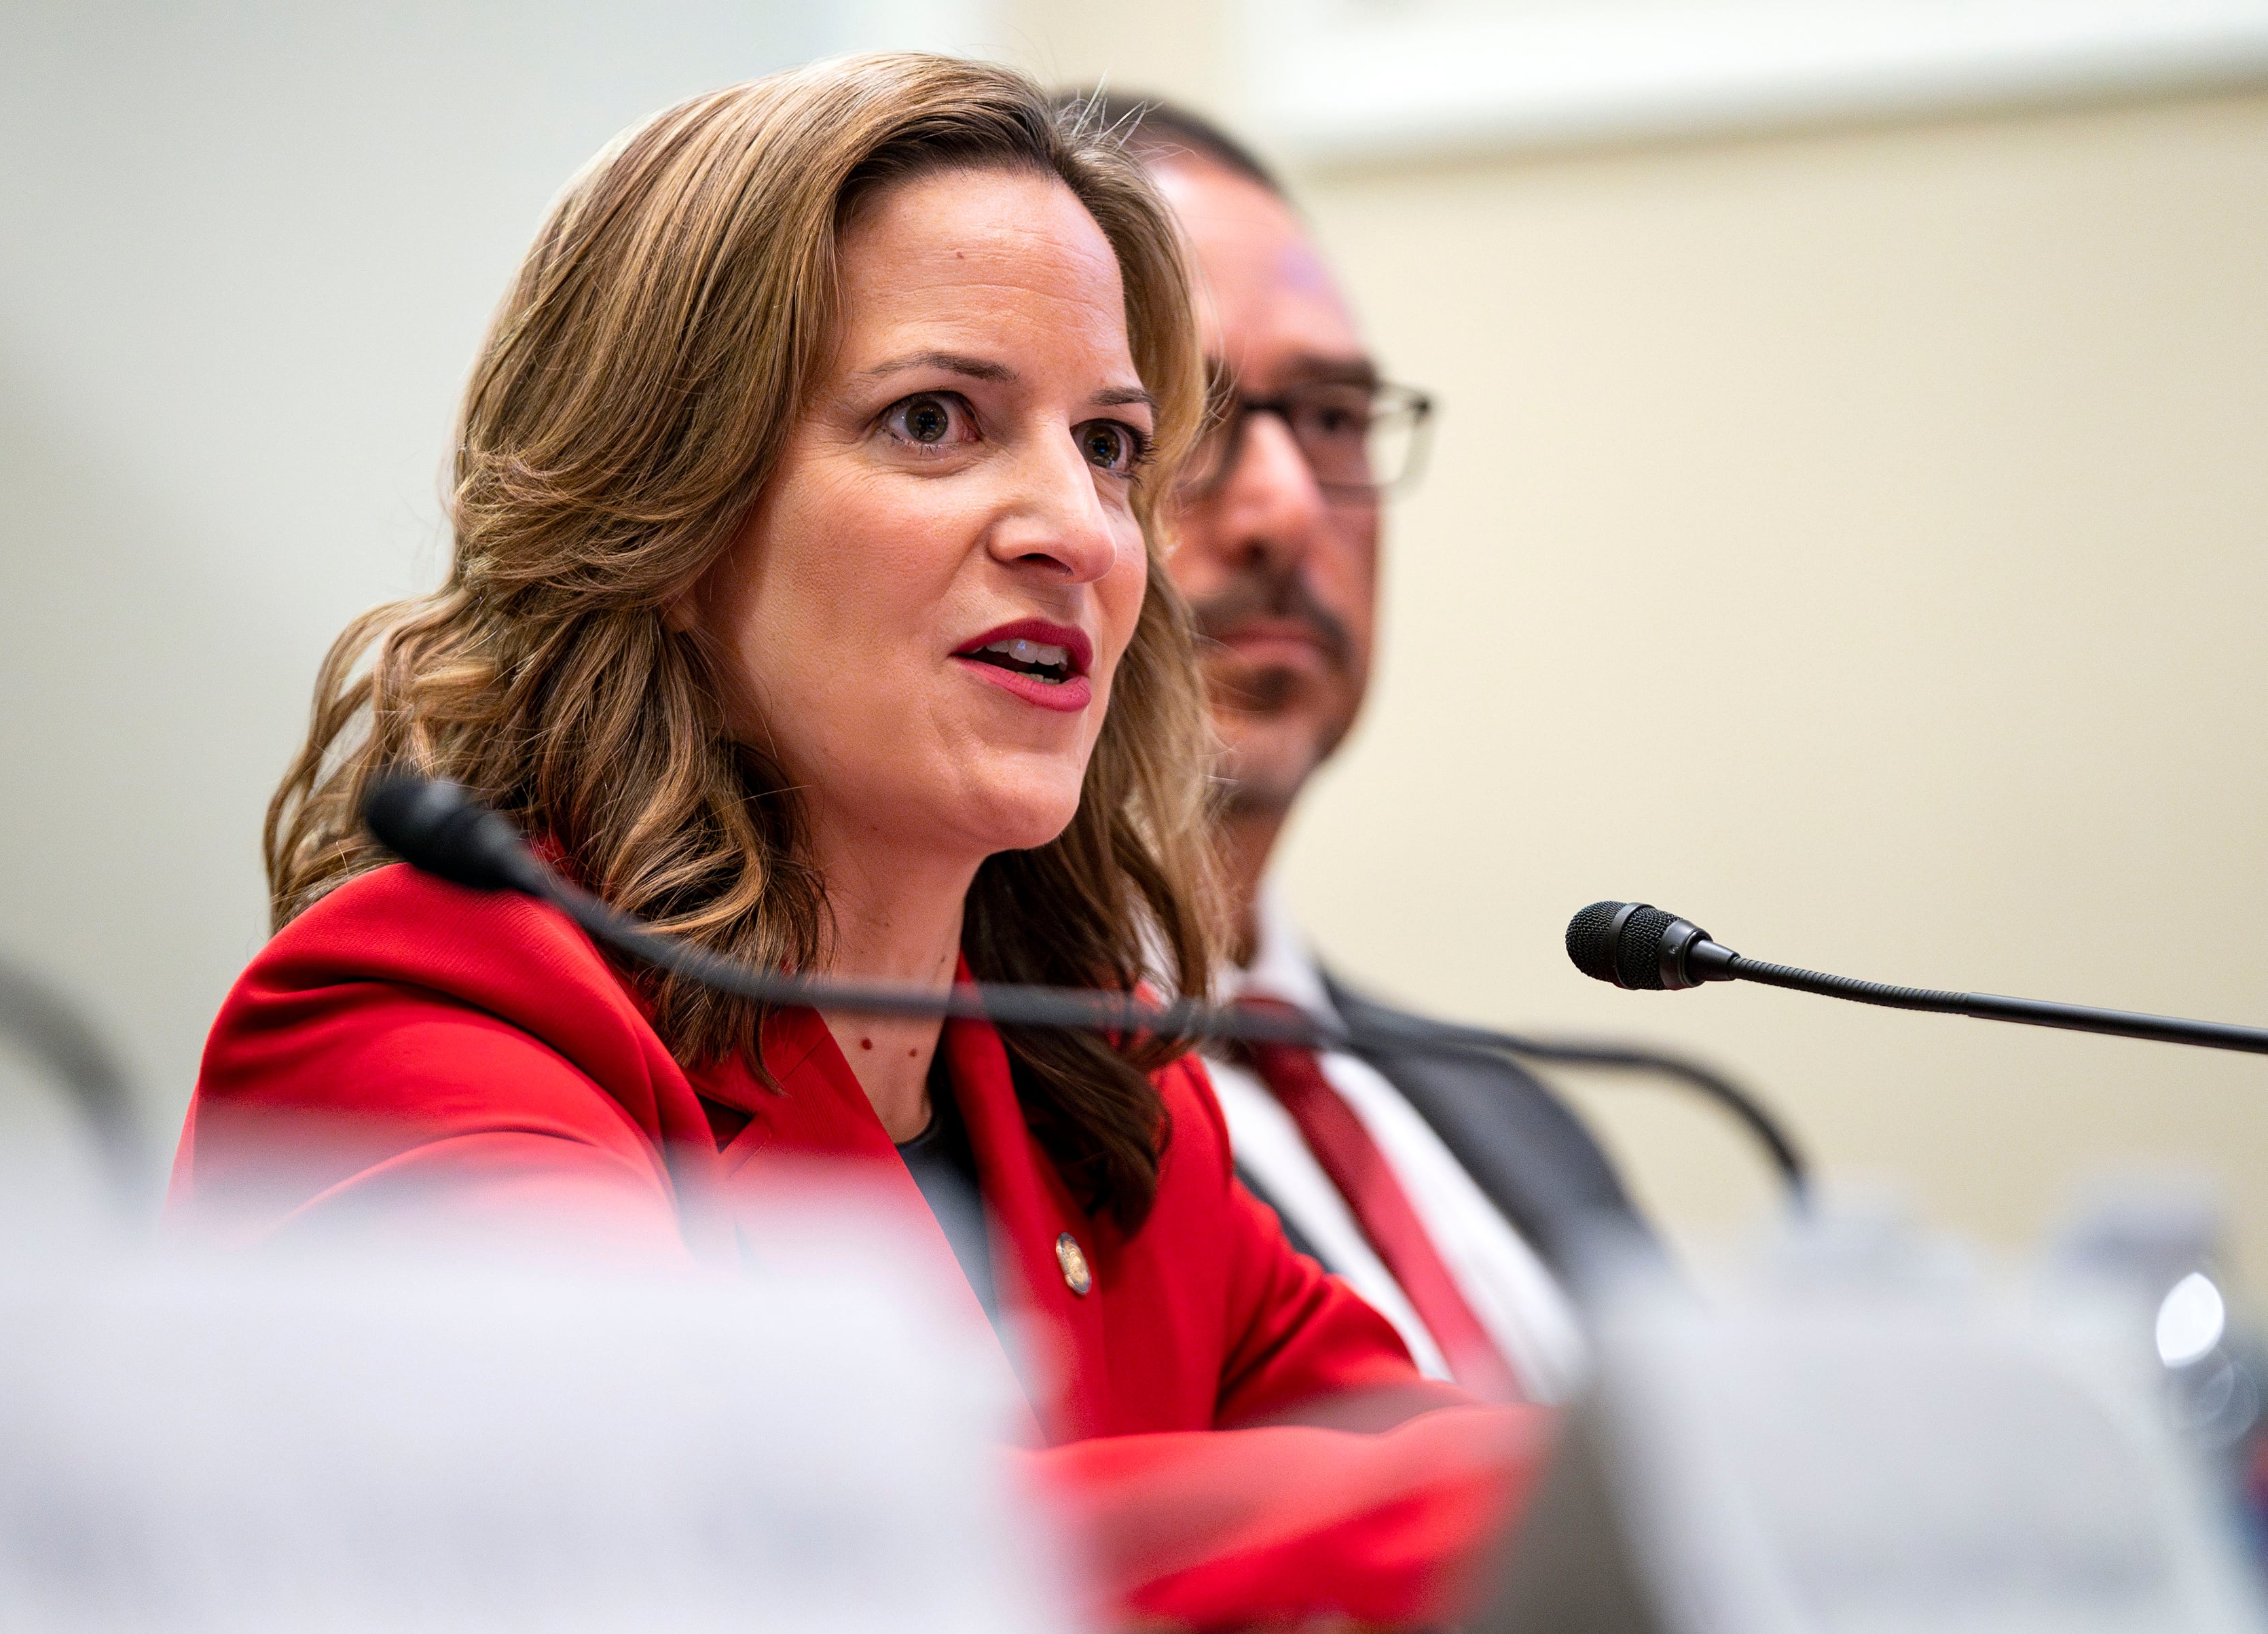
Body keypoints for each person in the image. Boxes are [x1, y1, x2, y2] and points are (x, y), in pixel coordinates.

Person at [169, 55, 1539, 1630]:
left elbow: (1434, 1477)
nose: (1081, 532)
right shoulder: (420, 1024)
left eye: (1105, 444)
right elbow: (747, 1558)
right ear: (670, 515)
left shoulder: (1102, 1103)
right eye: (936, 420)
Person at [1063, 93, 1653, 1404]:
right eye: (1188, 413)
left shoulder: (1515, 1113)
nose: (1280, 508)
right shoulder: (970, 1097)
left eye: (1331, 418)